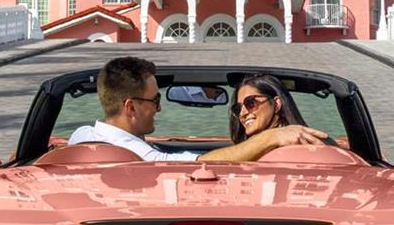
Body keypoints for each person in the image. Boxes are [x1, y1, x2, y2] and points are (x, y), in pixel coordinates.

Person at [68, 56, 329, 163]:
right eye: (155, 101)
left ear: (277, 104)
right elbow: (196, 164)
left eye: (251, 103)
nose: (159, 109)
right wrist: (273, 136)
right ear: (131, 107)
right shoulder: (139, 157)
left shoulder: (79, 139)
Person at [228, 73, 307, 143]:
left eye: (251, 103)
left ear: (276, 104)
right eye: (238, 108)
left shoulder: (288, 145)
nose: (242, 114)